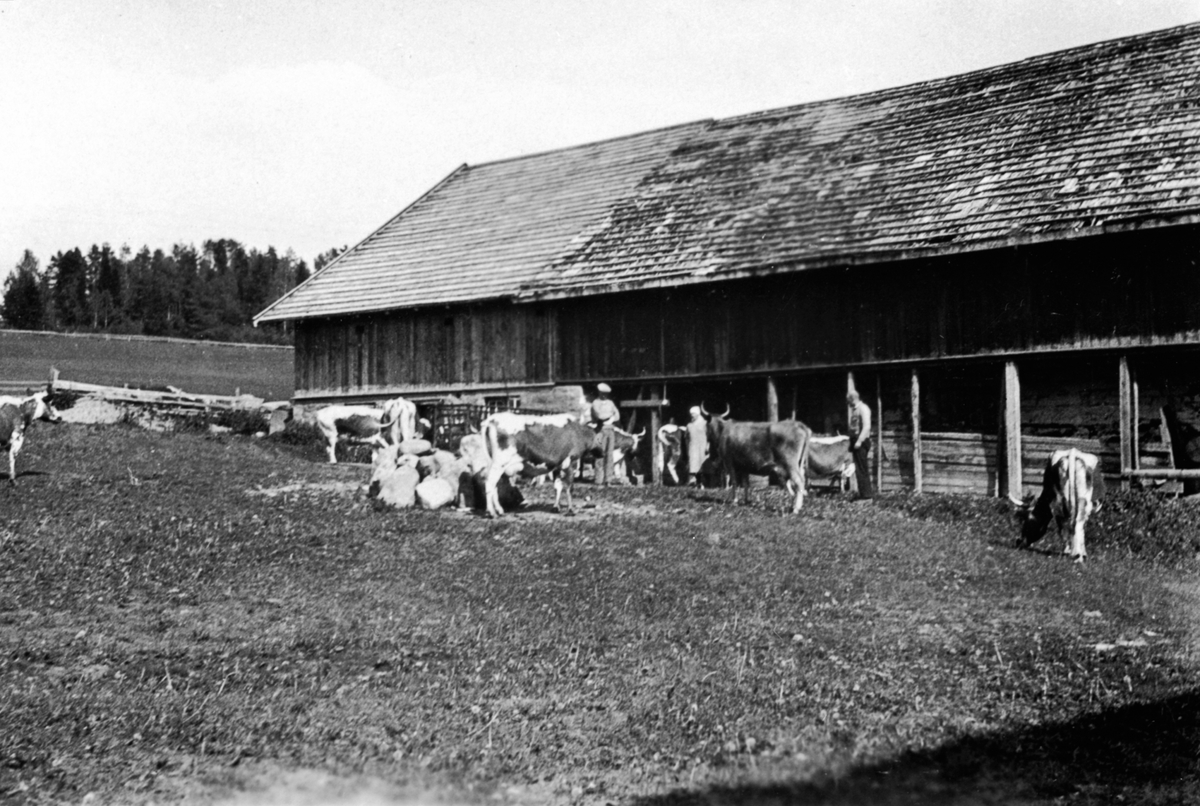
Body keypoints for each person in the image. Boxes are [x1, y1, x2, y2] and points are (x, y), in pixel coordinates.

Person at [590, 383, 620, 485]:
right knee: (600, 454)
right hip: (600, 430)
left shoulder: (610, 403)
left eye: (606, 394)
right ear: (599, 393)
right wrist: (610, 415)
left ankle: (608, 480)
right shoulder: (595, 403)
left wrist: (611, 417)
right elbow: (599, 416)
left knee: (609, 455)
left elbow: (617, 416)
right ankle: (598, 480)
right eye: (603, 393)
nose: (604, 395)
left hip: (610, 430)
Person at [847, 390, 874, 500]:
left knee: (862, 469)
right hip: (856, 441)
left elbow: (867, 427)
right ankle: (863, 494)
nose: (847, 402)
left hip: (861, 442)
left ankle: (867, 497)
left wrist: (859, 441)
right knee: (858, 469)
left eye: (848, 400)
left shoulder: (863, 408)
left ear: (853, 399)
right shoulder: (855, 410)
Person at [685, 405, 708, 487]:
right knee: (693, 466)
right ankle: (694, 483)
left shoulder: (705, 423)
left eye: (693, 414)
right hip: (693, 448)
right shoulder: (689, 425)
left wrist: (708, 446)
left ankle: (702, 484)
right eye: (691, 414)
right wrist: (688, 447)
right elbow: (686, 438)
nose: (692, 416)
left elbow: (709, 436)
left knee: (702, 466)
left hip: (703, 448)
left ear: (698, 414)